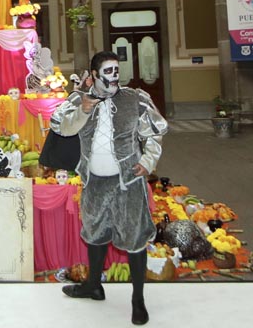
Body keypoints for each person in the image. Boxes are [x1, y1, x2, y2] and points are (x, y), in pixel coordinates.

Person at [49, 51, 168, 326]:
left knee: (135, 238)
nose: (115, 76)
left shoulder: (134, 98)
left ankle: (137, 300)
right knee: (94, 233)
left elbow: (154, 132)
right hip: (95, 182)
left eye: (117, 70)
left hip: (128, 183)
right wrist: (84, 109)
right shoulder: (79, 100)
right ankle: (94, 286)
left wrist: (148, 162)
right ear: (93, 76)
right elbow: (61, 128)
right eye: (108, 71)